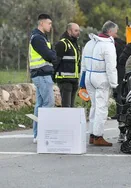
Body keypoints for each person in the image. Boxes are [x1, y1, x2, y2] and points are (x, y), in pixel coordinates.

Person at [80, 20, 118, 146]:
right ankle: (98, 136)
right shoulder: (108, 46)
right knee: (102, 108)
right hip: (101, 78)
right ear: (110, 31)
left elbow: (83, 63)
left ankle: (92, 134)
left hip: (88, 77)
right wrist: (114, 84)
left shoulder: (90, 43)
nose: (116, 35)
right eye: (116, 32)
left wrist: (82, 82)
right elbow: (111, 67)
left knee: (94, 106)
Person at [29, 14, 56, 143]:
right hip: (42, 74)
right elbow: (49, 55)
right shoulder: (38, 39)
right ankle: (41, 134)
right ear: (41, 24)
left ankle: (37, 135)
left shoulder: (40, 38)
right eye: (49, 23)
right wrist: (54, 55)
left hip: (40, 74)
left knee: (40, 105)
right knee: (48, 103)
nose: (50, 26)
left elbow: (50, 54)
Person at [54, 23, 81, 107]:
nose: (78, 32)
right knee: (66, 106)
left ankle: (71, 120)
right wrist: (53, 76)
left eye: (78, 30)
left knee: (71, 107)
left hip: (74, 80)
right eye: (76, 30)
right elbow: (55, 61)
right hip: (65, 80)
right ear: (69, 31)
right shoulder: (62, 44)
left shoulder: (75, 44)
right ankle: (65, 120)